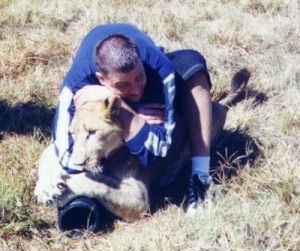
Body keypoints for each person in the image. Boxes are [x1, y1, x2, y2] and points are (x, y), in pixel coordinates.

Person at [52, 23, 226, 214]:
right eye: (123, 84)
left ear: (141, 63)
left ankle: (199, 177)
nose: (135, 90)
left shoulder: (160, 70)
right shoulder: (75, 85)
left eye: (138, 78)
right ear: (101, 79)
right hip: (106, 89)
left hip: (148, 84)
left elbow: (157, 150)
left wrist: (125, 109)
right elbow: (65, 156)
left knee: (194, 66)